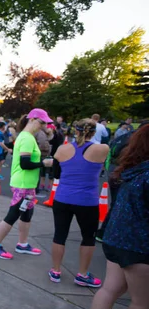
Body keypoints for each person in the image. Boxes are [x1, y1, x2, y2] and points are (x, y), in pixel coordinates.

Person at [82, 125, 149, 309]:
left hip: (115, 237)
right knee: (142, 301)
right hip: (139, 245)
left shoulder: (129, 172)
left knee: (111, 288)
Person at [48, 119, 109, 287]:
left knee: (59, 235)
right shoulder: (102, 149)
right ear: (94, 131)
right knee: (88, 238)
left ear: (75, 130)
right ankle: (82, 274)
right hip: (86, 201)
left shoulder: (62, 149)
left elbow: (57, 174)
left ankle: (55, 271)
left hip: (62, 198)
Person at [0, 109, 54, 259]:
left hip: (27, 183)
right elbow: (25, 163)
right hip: (23, 183)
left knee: (27, 214)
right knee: (14, 214)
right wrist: (44, 163)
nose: (44, 126)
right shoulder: (27, 138)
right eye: (42, 122)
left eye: (45, 123)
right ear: (32, 120)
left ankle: (22, 244)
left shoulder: (26, 136)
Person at [34, 122, 53, 193]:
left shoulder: (40, 132)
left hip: (39, 154)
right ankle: (35, 189)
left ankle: (36, 188)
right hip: (41, 155)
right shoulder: (40, 133)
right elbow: (43, 144)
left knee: (39, 172)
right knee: (38, 172)